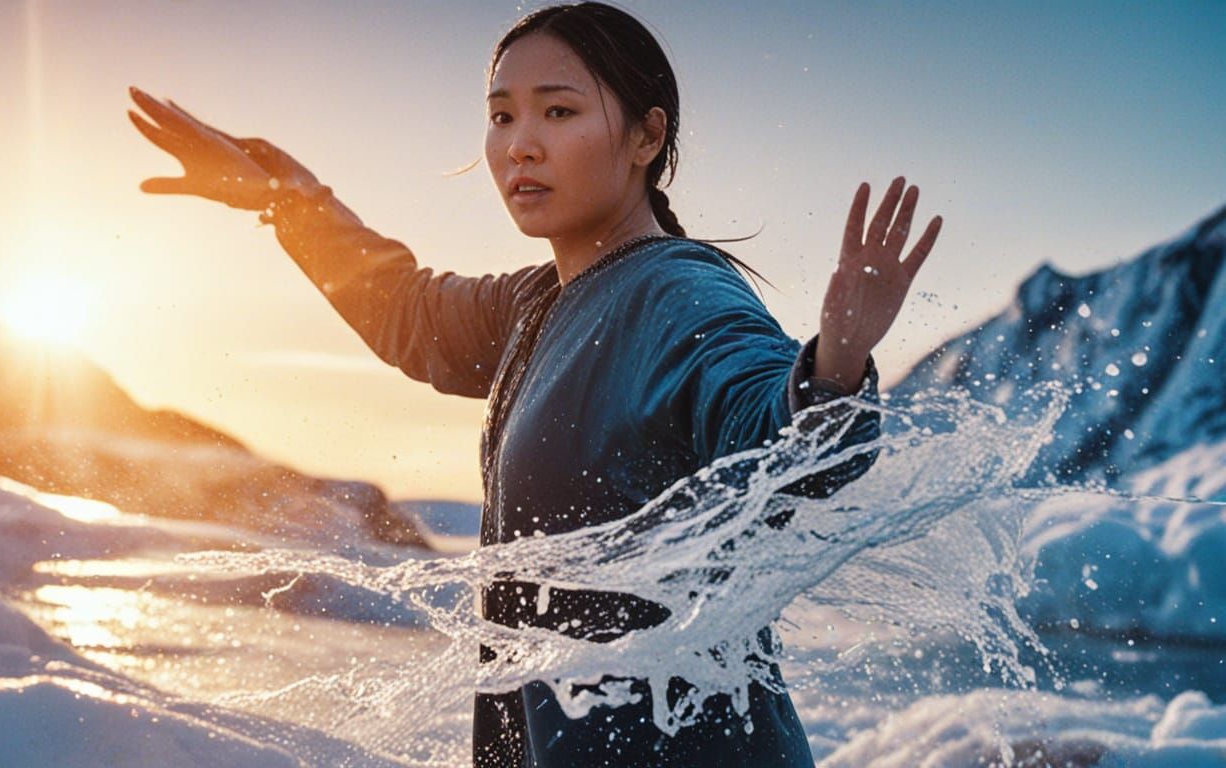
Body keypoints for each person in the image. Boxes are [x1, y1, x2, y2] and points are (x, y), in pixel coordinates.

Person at [128, 3, 942, 765]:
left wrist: (833, 366)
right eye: (502, 115)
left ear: (645, 137)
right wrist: (287, 200)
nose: (520, 143)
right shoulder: (535, 302)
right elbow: (405, 309)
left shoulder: (679, 295)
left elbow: (772, 427)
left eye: (559, 112)